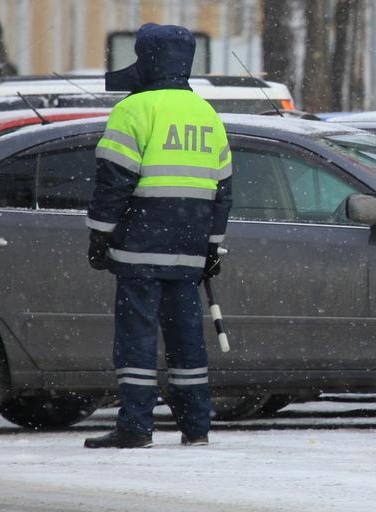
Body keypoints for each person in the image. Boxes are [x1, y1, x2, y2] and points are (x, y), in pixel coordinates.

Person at [83, 23, 232, 449]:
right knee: (187, 339)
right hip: (189, 249)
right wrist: (212, 246)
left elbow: (114, 181)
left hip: (140, 246)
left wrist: (99, 234)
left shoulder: (134, 109)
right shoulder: (206, 114)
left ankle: (135, 426)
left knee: (137, 337)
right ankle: (196, 426)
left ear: (147, 60)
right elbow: (223, 191)